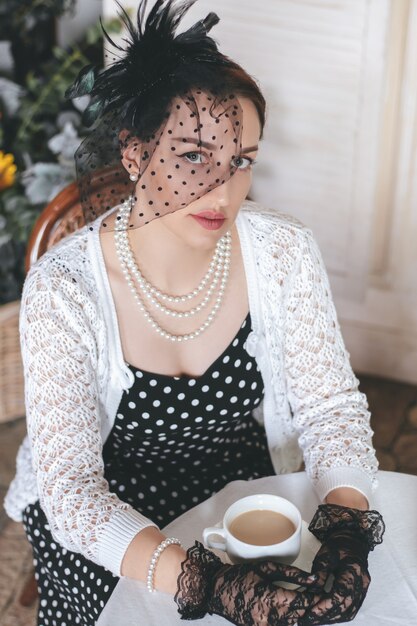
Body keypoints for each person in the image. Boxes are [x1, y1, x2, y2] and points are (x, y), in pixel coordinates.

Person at [5, 1, 385, 625]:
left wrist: (345, 532)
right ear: (134, 153)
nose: (222, 190)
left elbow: (330, 408)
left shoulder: (284, 251)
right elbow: (73, 490)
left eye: (241, 161)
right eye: (190, 156)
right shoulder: (63, 291)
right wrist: (209, 584)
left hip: (237, 483)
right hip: (110, 516)